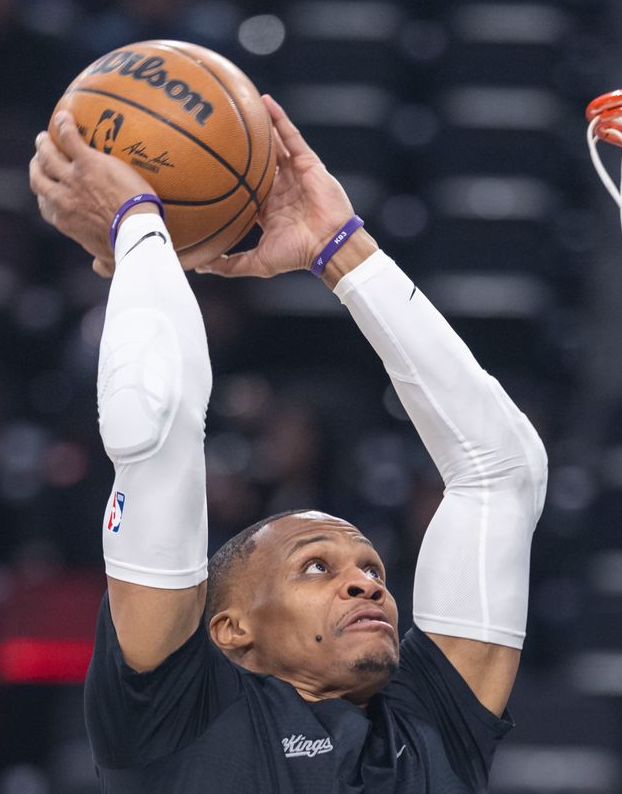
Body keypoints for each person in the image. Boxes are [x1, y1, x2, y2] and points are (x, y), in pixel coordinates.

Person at [28, 96, 548, 791]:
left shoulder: (430, 731)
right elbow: (151, 421)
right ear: (229, 629)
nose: (367, 581)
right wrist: (140, 227)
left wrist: (342, 250)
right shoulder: (175, 717)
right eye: (317, 568)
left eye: (371, 569)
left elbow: (502, 469)